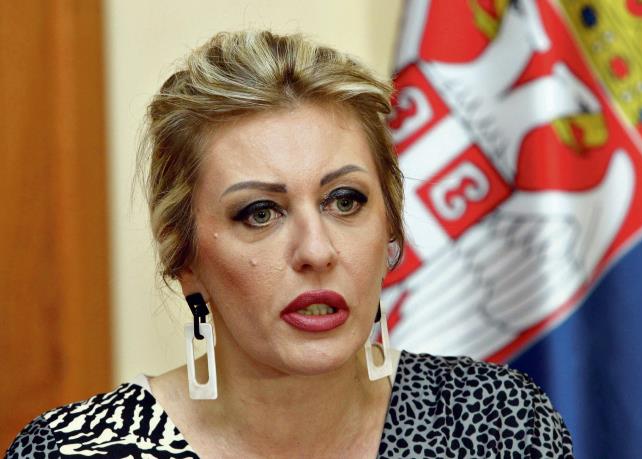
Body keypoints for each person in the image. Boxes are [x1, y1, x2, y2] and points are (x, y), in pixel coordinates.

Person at [6, 30, 573, 458]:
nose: (317, 251)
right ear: (184, 257)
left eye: (344, 201)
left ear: (391, 229)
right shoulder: (72, 451)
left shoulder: (497, 426)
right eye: (260, 213)